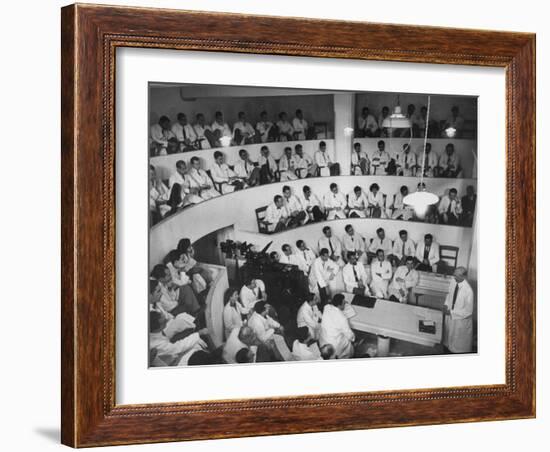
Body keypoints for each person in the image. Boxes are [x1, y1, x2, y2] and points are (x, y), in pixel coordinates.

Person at [443, 267, 474, 353]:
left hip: (460, 320)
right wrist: (446, 304)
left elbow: (468, 312)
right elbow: (449, 294)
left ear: (463, 277)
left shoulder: (468, 291)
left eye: (456, 276)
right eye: (454, 275)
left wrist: (451, 312)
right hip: (451, 317)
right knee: (448, 337)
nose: (454, 277)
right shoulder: (454, 281)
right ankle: (447, 347)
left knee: (457, 344)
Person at [320, 294, 355, 359]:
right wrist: (353, 338)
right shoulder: (342, 318)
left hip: (324, 339)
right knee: (349, 343)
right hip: (335, 345)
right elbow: (349, 334)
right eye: (344, 303)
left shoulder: (326, 307)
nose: (345, 304)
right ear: (339, 305)